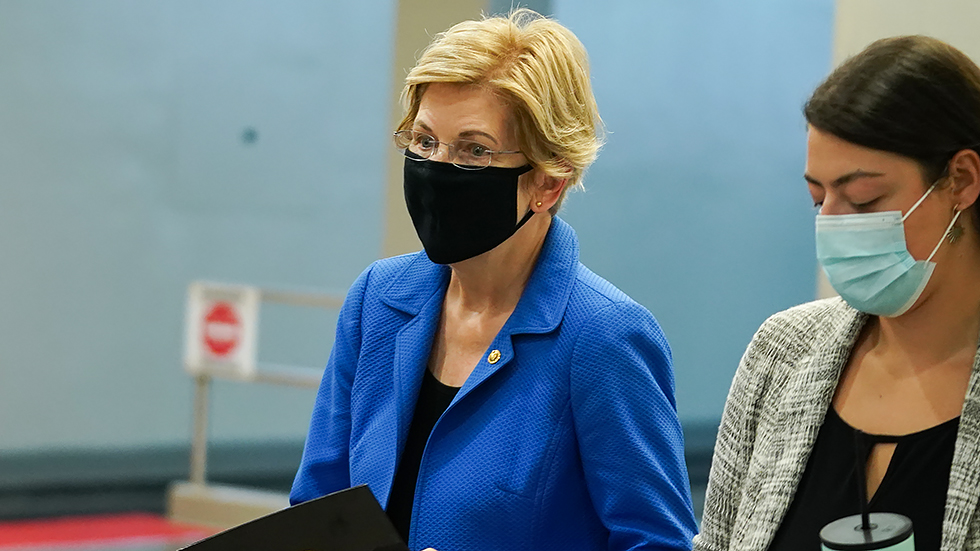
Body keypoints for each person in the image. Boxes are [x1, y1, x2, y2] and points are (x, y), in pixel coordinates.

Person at [290, 9, 697, 551]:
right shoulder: (378, 299)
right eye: (424, 140)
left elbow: (656, 542)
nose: (437, 167)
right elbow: (319, 509)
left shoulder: (605, 337)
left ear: (548, 183)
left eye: (474, 150)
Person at [693, 35, 980, 551]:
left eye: (863, 200)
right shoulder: (782, 354)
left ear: (960, 179)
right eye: (818, 198)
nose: (833, 226)